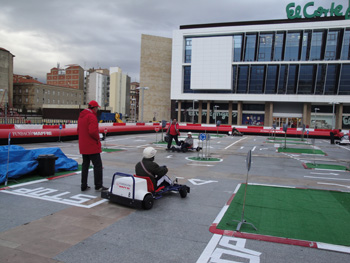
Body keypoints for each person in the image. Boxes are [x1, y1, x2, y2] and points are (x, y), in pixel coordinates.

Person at [78, 100, 107, 192]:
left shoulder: (81, 116)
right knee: (97, 165)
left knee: (85, 165)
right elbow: (92, 131)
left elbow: (78, 130)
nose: (97, 110)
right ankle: (98, 185)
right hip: (92, 145)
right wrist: (98, 138)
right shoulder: (92, 116)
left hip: (83, 145)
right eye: (97, 108)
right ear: (94, 108)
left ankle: (83, 185)